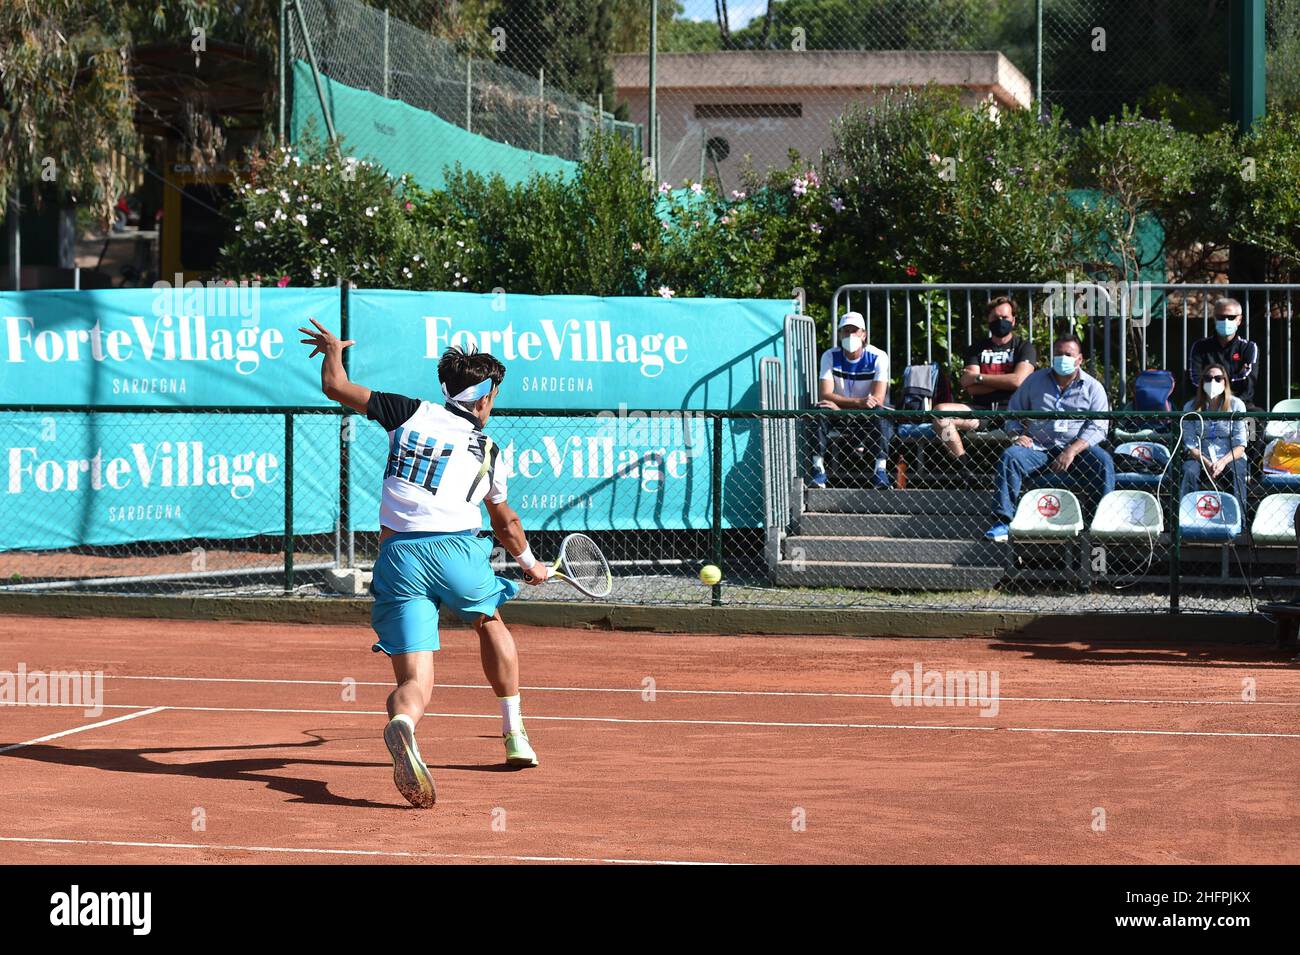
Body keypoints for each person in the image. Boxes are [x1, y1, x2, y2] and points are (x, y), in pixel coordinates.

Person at [300, 319, 547, 809]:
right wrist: (529, 562)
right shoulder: (489, 450)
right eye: (493, 395)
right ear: (483, 399)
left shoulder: (407, 411)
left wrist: (332, 349)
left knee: (414, 681)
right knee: (490, 621)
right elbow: (507, 522)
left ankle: (404, 723)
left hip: (399, 557)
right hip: (457, 552)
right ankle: (514, 731)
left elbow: (335, 386)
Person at [985, 335, 1115, 542]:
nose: (1062, 358)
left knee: (1103, 462)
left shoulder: (1093, 387)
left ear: (1079, 359)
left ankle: (1097, 522)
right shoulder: (1034, 381)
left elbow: (1099, 427)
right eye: (1058, 354)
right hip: (1038, 450)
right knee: (1011, 457)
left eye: (1068, 355)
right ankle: (1003, 522)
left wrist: (1071, 451)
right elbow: (1013, 413)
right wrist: (1016, 435)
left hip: (1077, 453)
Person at [932, 296, 1037, 464]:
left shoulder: (1024, 347)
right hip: (981, 411)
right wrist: (1006, 383)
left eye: (1005, 318)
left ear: (1014, 320)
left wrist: (979, 378)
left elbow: (1018, 381)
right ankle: (963, 464)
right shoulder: (976, 349)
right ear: (988, 320)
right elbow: (971, 387)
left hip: (1016, 412)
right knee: (940, 413)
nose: (1000, 321)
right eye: (995, 318)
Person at [809, 311, 894, 488]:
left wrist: (844, 405)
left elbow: (877, 399)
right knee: (819, 411)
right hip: (839, 413)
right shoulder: (829, 356)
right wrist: (857, 403)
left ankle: (880, 471)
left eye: (854, 331)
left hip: (864, 414)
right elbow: (825, 395)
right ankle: (818, 470)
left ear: (864, 334)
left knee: (881, 414)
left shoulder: (879, 356)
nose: (850, 335)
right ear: (840, 334)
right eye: (845, 331)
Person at [1180, 362, 1248, 505]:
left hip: (1230, 457)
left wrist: (1222, 462)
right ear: (1202, 382)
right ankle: (1186, 518)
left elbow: (1241, 445)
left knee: (1237, 473)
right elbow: (1190, 444)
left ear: (1225, 382)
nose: (1212, 382)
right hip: (1200, 458)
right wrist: (1208, 463)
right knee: (1189, 471)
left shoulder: (1237, 405)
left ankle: (1239, 521)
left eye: (1218, 378)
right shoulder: (1190, 407)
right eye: (1208, 378)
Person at [1187, 297, 1260, 409]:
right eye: (1221, 317)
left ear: (1239, 320)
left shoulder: (1249, 348)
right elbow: (1195, 380)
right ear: (1215, 319)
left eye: (1231, 317)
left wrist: (1211, 379)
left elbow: (1249, 381)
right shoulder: (1200, 347)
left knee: (1256, 423)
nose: (1226, 321)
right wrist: (1235, 377)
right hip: (1205, 406)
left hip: (1242, 405)